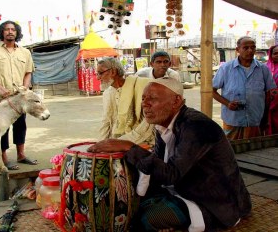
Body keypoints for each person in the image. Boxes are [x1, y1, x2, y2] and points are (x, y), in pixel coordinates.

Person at [87, 77, 252, 232]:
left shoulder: (197, 126)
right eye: (143, 99)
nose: (145, 104)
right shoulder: (163, 123)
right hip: (184, 190)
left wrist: (130, 147)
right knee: (128, 204)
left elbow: (171, 175)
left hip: (215, 204)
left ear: (176, 101)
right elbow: (157, 163)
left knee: (144, 219)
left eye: (153, 98)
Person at [0, 20, 37, 170]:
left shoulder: (25, 52)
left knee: (20, 125)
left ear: (17, 33)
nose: (10, 32)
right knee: (1, 128)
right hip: (0, 98)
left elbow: (28, 72)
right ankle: (4, 158)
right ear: (2, 32)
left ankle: (21, 155)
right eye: (7, 29)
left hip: (19, 97)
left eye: (13, 29)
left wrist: (25, 87)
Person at [213, 36, 276, 140]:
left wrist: (265, 118)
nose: (250, 50)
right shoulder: (226, 68)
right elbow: (212, 90)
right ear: (238, 50)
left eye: (253, 47)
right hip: (232, 121)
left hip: (255, 121)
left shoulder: (263, 69)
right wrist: (227, 103)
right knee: (232, 151)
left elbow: (268, 94)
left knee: (254, 152)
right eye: (246, 48)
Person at [96, 57, 154, 145]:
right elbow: (106, 121)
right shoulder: (108, 93)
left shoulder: (144, 86)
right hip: (118, 140)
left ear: (113, 72)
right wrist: (100, 144)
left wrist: (120, 142)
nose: (98, 78)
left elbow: (149, 123)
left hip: (143, 142)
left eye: (100, 73)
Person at [264, 45, 278, 135]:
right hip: (267, 101)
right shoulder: (264, 67)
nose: (277, 55)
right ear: (270, 55)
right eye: (275, 53)